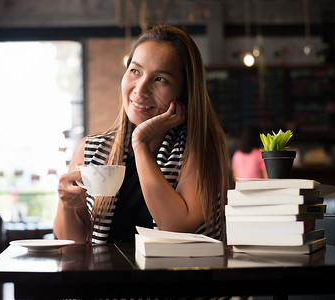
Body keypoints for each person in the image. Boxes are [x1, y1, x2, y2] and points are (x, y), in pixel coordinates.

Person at [54, 25, 233, 244]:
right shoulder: (92, 148)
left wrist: (140, 143)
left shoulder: (199, 147)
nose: (140, 89)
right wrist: (68, 204)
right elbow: (73, 243)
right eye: (135, 71)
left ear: (184, 92)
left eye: (160, 79)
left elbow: (177, 227)